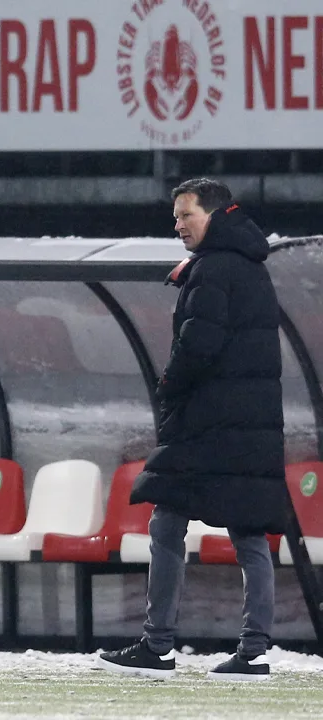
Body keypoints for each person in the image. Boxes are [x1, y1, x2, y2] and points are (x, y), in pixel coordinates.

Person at [96, 178, 288, 681]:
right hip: (251, 422)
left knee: (166, 522)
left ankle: (157, 645)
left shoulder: (213, 267)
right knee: (249, 531)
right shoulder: (249, 263)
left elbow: (199, 342)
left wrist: (168, 386)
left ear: (216, 214)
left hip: (209, 420)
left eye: (186, 215)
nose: (178, 225)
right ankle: (254, 651)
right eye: (176, 217)